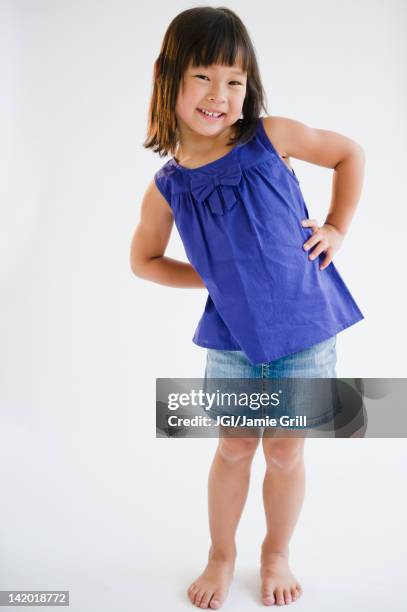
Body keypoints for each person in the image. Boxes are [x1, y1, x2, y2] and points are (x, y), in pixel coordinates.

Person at [130, 6, 365, 608]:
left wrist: (336, 227)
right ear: (167, 76)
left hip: (307, 331)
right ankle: (221, 554)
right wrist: (211, 278)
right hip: (232, 340)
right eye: (204, 77)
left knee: (286, 451)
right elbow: (145, 260)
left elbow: (348, 154)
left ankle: (276, 553)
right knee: (234, 446)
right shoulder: (169, 186)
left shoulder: (271, 138)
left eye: (234, 81)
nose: (220, 94)